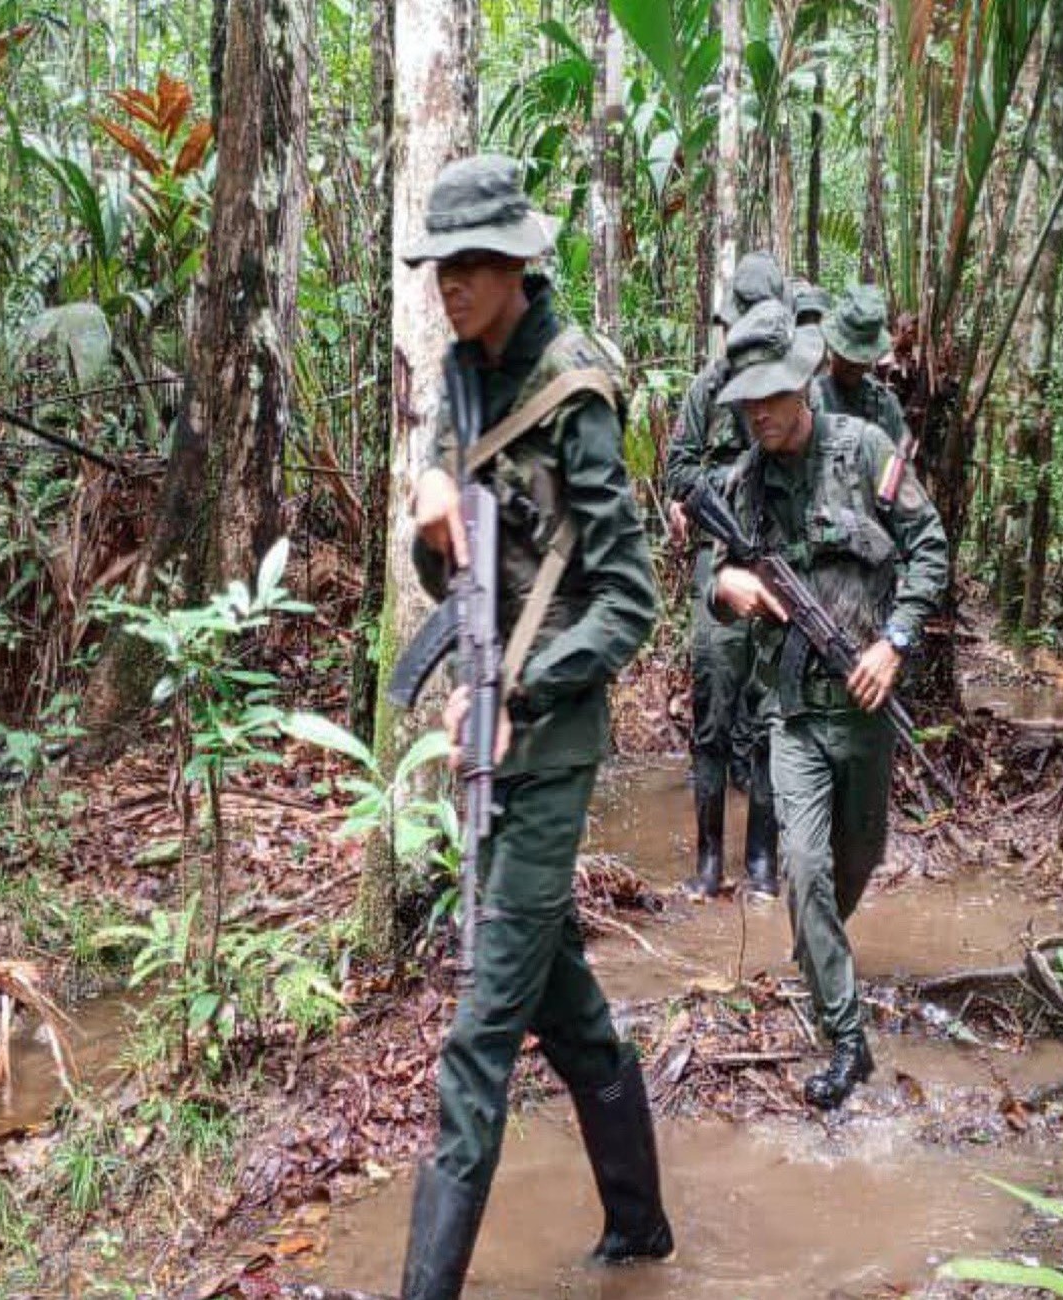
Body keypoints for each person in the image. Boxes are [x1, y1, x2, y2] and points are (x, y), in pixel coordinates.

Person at [399, 154, 673, 1299]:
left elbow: (630, 600)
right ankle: (641, 1232)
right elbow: (459, 562)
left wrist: (525, 687)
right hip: (479, 719)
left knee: (477, 1035)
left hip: (545, 743)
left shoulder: (572, 395)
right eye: (438, 266)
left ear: (516, 264)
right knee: (561, 1004)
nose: (448, 286)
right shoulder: (464, 378)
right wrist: (426, 505)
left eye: (468, 265)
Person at [704, 301, 950, 1110]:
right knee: (805, 870)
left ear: (805, 383)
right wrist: (725, 585)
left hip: (865, 708)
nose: (763, 412)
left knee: (855, 862)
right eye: (750, 400)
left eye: (775, 395)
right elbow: (712, 577)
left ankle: (819, 958)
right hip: (794, 716)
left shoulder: (865, 451)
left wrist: (896, 641)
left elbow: (928, 545)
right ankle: (848, 1041)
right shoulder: (741, 486)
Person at [662, 251, 787, 900]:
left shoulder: (796, 389)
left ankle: (761, 865)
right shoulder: (707, 389)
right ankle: (710, 863)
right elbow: (677, 470)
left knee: (770, 718)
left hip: (782, 568)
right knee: (712, 717)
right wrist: (723, 486)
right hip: (718, 561)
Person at [813, 284, 910, 445]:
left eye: (861, 360)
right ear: (833, 347)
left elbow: (902, 461)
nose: (855, 365)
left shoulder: (885, 406)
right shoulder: (810, 400)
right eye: (848, 358)